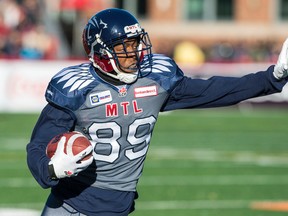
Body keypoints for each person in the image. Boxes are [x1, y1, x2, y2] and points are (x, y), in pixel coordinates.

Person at [26, 8, 288, 216]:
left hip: (120, 205)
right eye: (123, 46)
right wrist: (50, 169)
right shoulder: (77, 88)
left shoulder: (155, 79)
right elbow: (38, 145)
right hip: (74, 206)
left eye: (135, 43)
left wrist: (273, 77)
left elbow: (216, 90)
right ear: (101, 52)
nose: (135, 52)